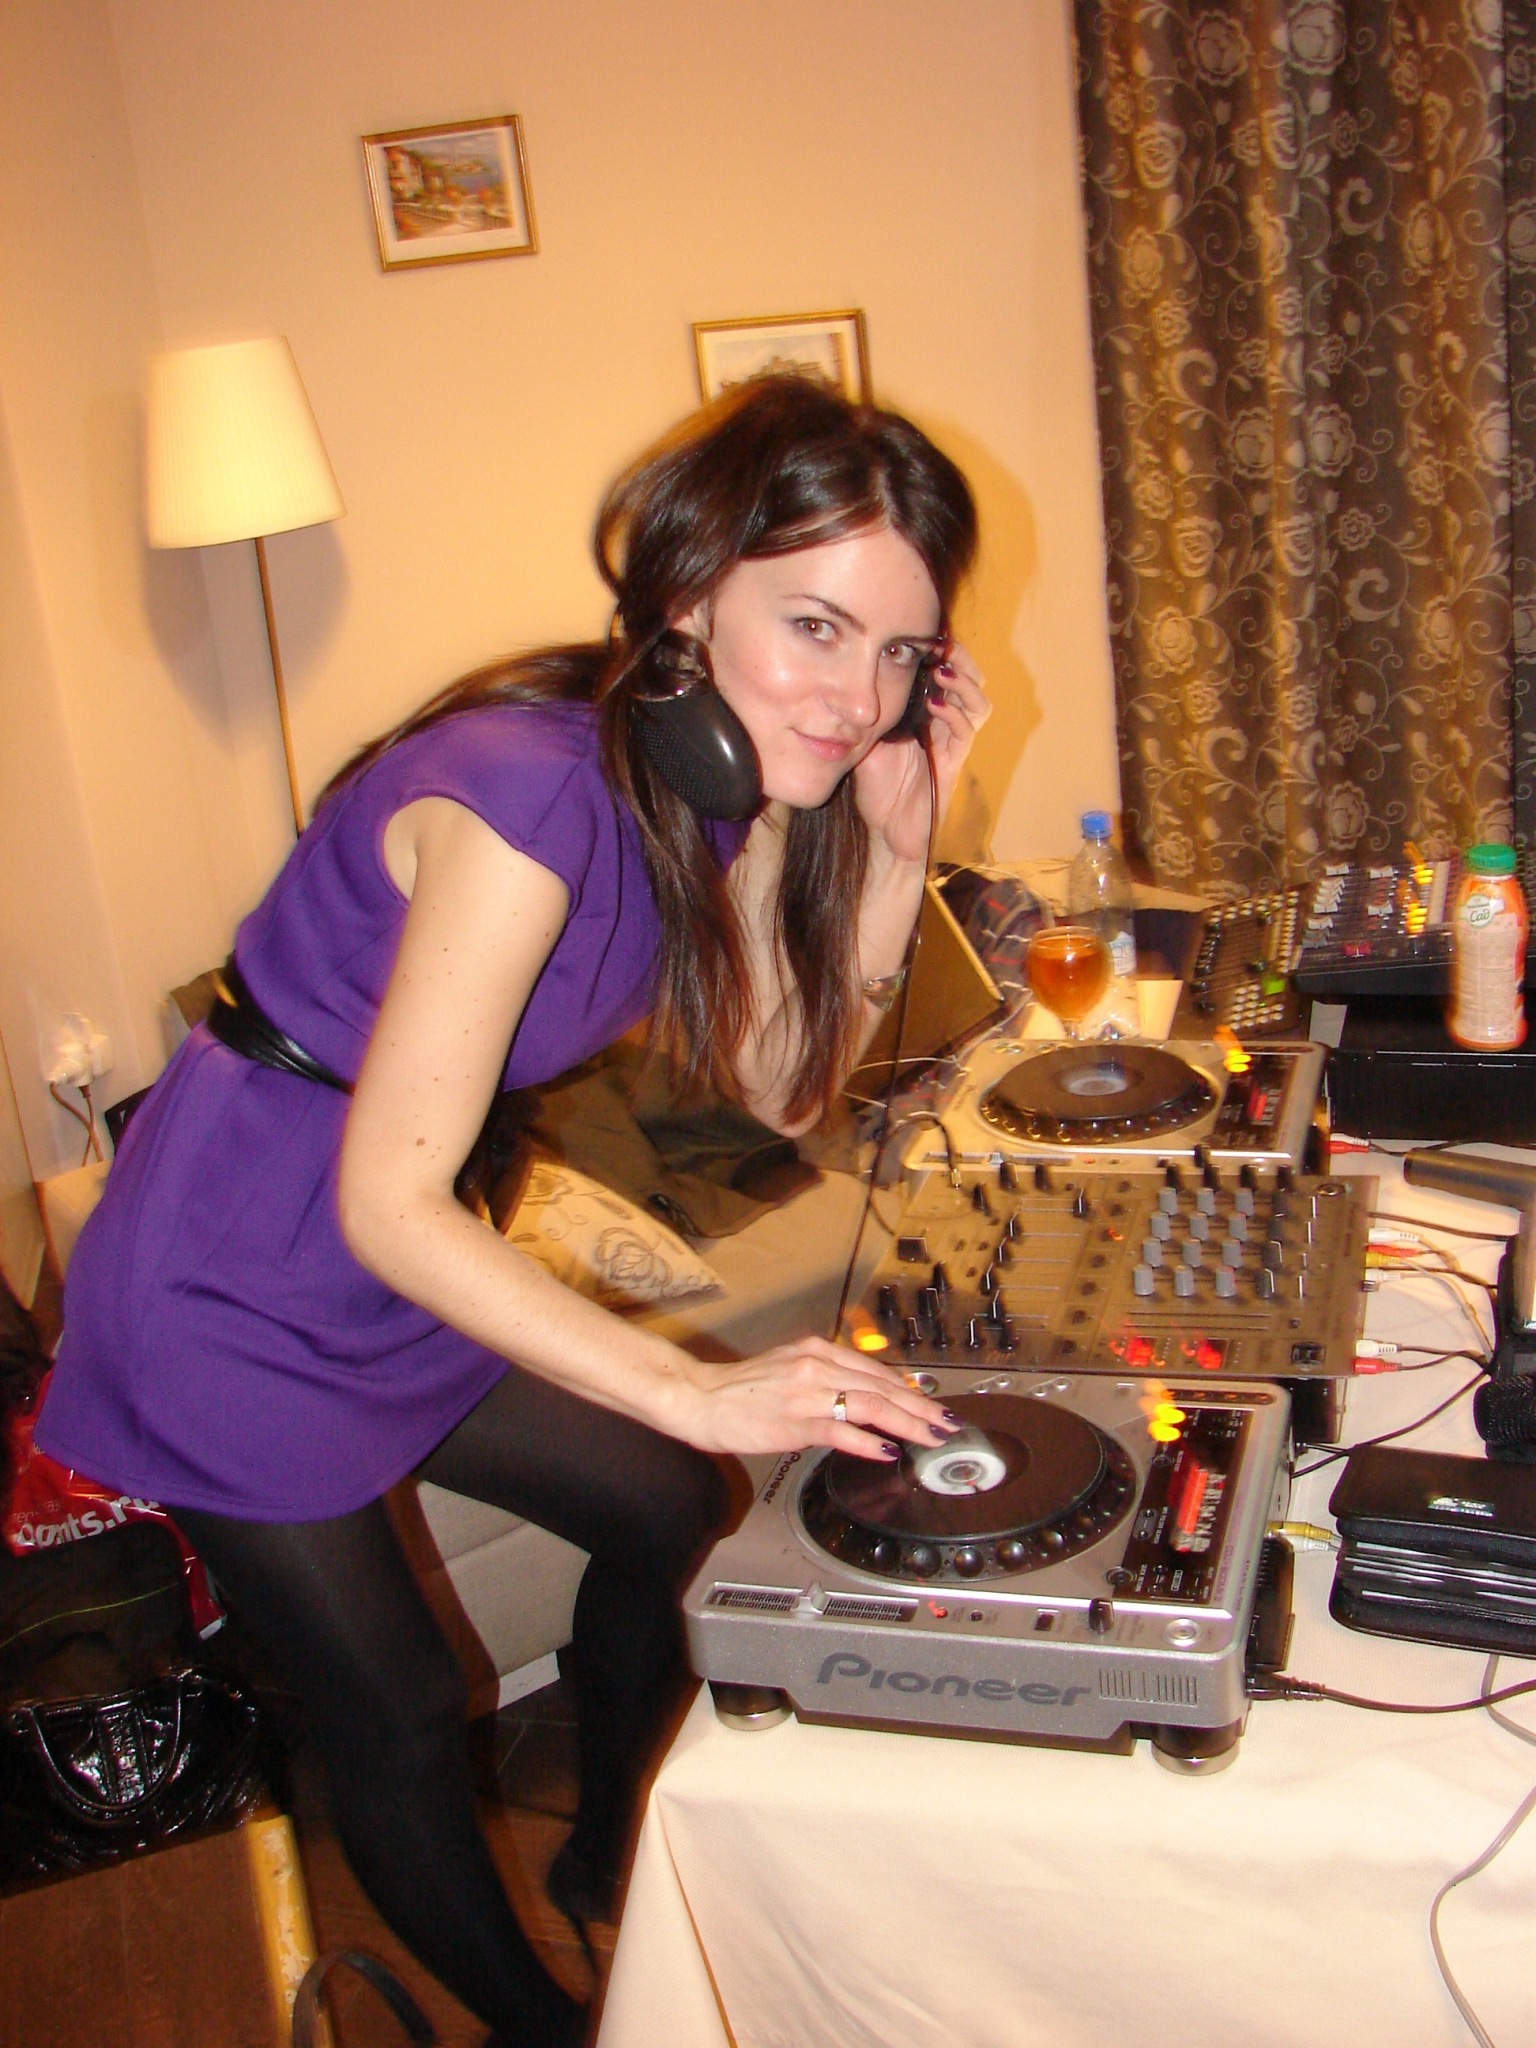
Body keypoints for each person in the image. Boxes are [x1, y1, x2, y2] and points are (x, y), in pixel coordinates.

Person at [38, 374, 988, 2045]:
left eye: (901, 652)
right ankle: (541, 2030)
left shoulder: (703, 780)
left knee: (659, 1502)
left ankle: (610, 1852)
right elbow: (389, 1200)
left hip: (393, 1245)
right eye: (817, 627)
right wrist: (698, 1381)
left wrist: (898, 851)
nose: (860, 697)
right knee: (400, 1709)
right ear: (690, 591)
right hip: (232, 1277)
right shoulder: (535, 790)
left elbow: (777, 1096)